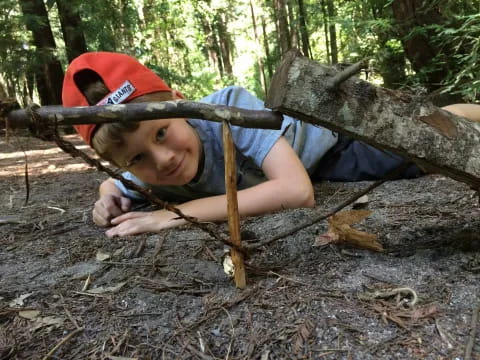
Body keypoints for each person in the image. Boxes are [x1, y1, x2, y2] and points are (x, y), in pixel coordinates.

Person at [62, 52, 477, 238]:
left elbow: (296, 192)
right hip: (318, 168)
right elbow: (117, 185)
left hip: (328, 144)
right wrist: (107, 196)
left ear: (181, 106)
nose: (164, 158)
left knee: (420, 141)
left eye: (162, 132)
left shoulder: (225, 109)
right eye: (138, 158)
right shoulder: (137, 172)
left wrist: (175, 216)